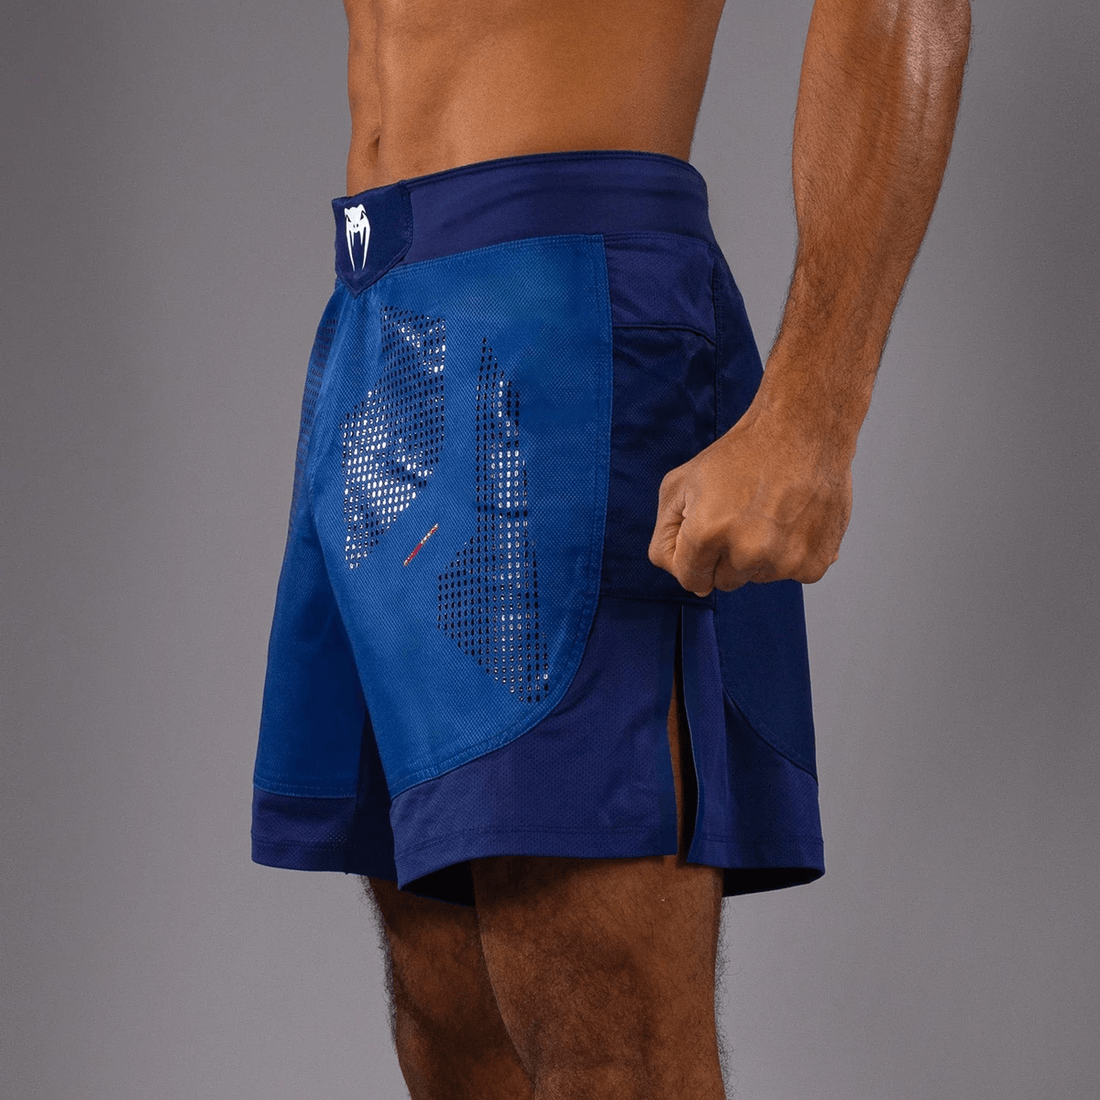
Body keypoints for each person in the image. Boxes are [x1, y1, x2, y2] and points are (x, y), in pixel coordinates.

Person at [250, 0, 971, 1096]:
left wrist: (816, 407)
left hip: (560, 310)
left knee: (603, 1036)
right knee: (451, 1012)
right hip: (375, 323)